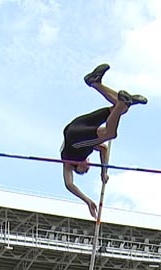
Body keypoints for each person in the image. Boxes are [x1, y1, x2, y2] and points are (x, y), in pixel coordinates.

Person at [61, 63, 148, 218]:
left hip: (74, 135)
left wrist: (87, 200)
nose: (88, 166)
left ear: (77, 168)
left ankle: (122, 102)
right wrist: (104, 172)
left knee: (110, 133)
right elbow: (104, 149)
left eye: (85, 170)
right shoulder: (90, 146)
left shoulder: (69, 162)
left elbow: (69, 184)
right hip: (77, 125)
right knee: (121, 111)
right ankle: (95, 82)